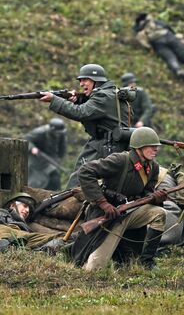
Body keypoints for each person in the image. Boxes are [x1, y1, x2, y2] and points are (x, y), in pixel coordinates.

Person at [68, 127, 167, 270]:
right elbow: (85, 171)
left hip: (131, 212)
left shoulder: (153, 167)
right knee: (93, 269)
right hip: (109, 215)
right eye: (152, 146)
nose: (156, 149)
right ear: (139, 147)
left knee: (159, 213)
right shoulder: (120, 160)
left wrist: (155, 198)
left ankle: (147, 261)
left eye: (157, 147)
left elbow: (146, 194)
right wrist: (103, 203)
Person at [38, 64, 132, 189]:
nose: (81, 84)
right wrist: (77, 100)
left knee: (78, 179)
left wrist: (54, 100)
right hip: (110, 144)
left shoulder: (103, 96)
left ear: (96, 81)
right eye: (80, 81)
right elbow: (94, 112)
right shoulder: (109, 93)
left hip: (105, 145)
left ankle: (68, 205)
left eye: (85, 80)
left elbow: (81, 113)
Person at [0, 192, 65, 252]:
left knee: (60, 237)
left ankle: (44, 251)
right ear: (12, 205)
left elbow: (30, 237)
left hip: (21, 237)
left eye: (29, 208)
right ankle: (4, 249)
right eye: (24, 206)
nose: (27, 210)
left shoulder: (24, 226)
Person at [133, 13, 184, 81]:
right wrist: (175, 35)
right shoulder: (156, 22)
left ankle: (178, 70)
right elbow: (167, 26)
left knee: (170, 57)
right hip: (169, 36)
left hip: (157, 42)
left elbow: (143, 42)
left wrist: (150, 48)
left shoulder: (139, 30)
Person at [25, 118, 67, 191]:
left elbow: (62, 147)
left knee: (54, 177)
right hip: (36, 159)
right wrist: (32, 148)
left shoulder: (61, 133)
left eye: (59, 133)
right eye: (56, 133)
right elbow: (26, 140)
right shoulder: (39, 132)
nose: (58, 135)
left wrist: (59, 158)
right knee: (36, 181)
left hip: (50, 159)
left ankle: (54, 195)